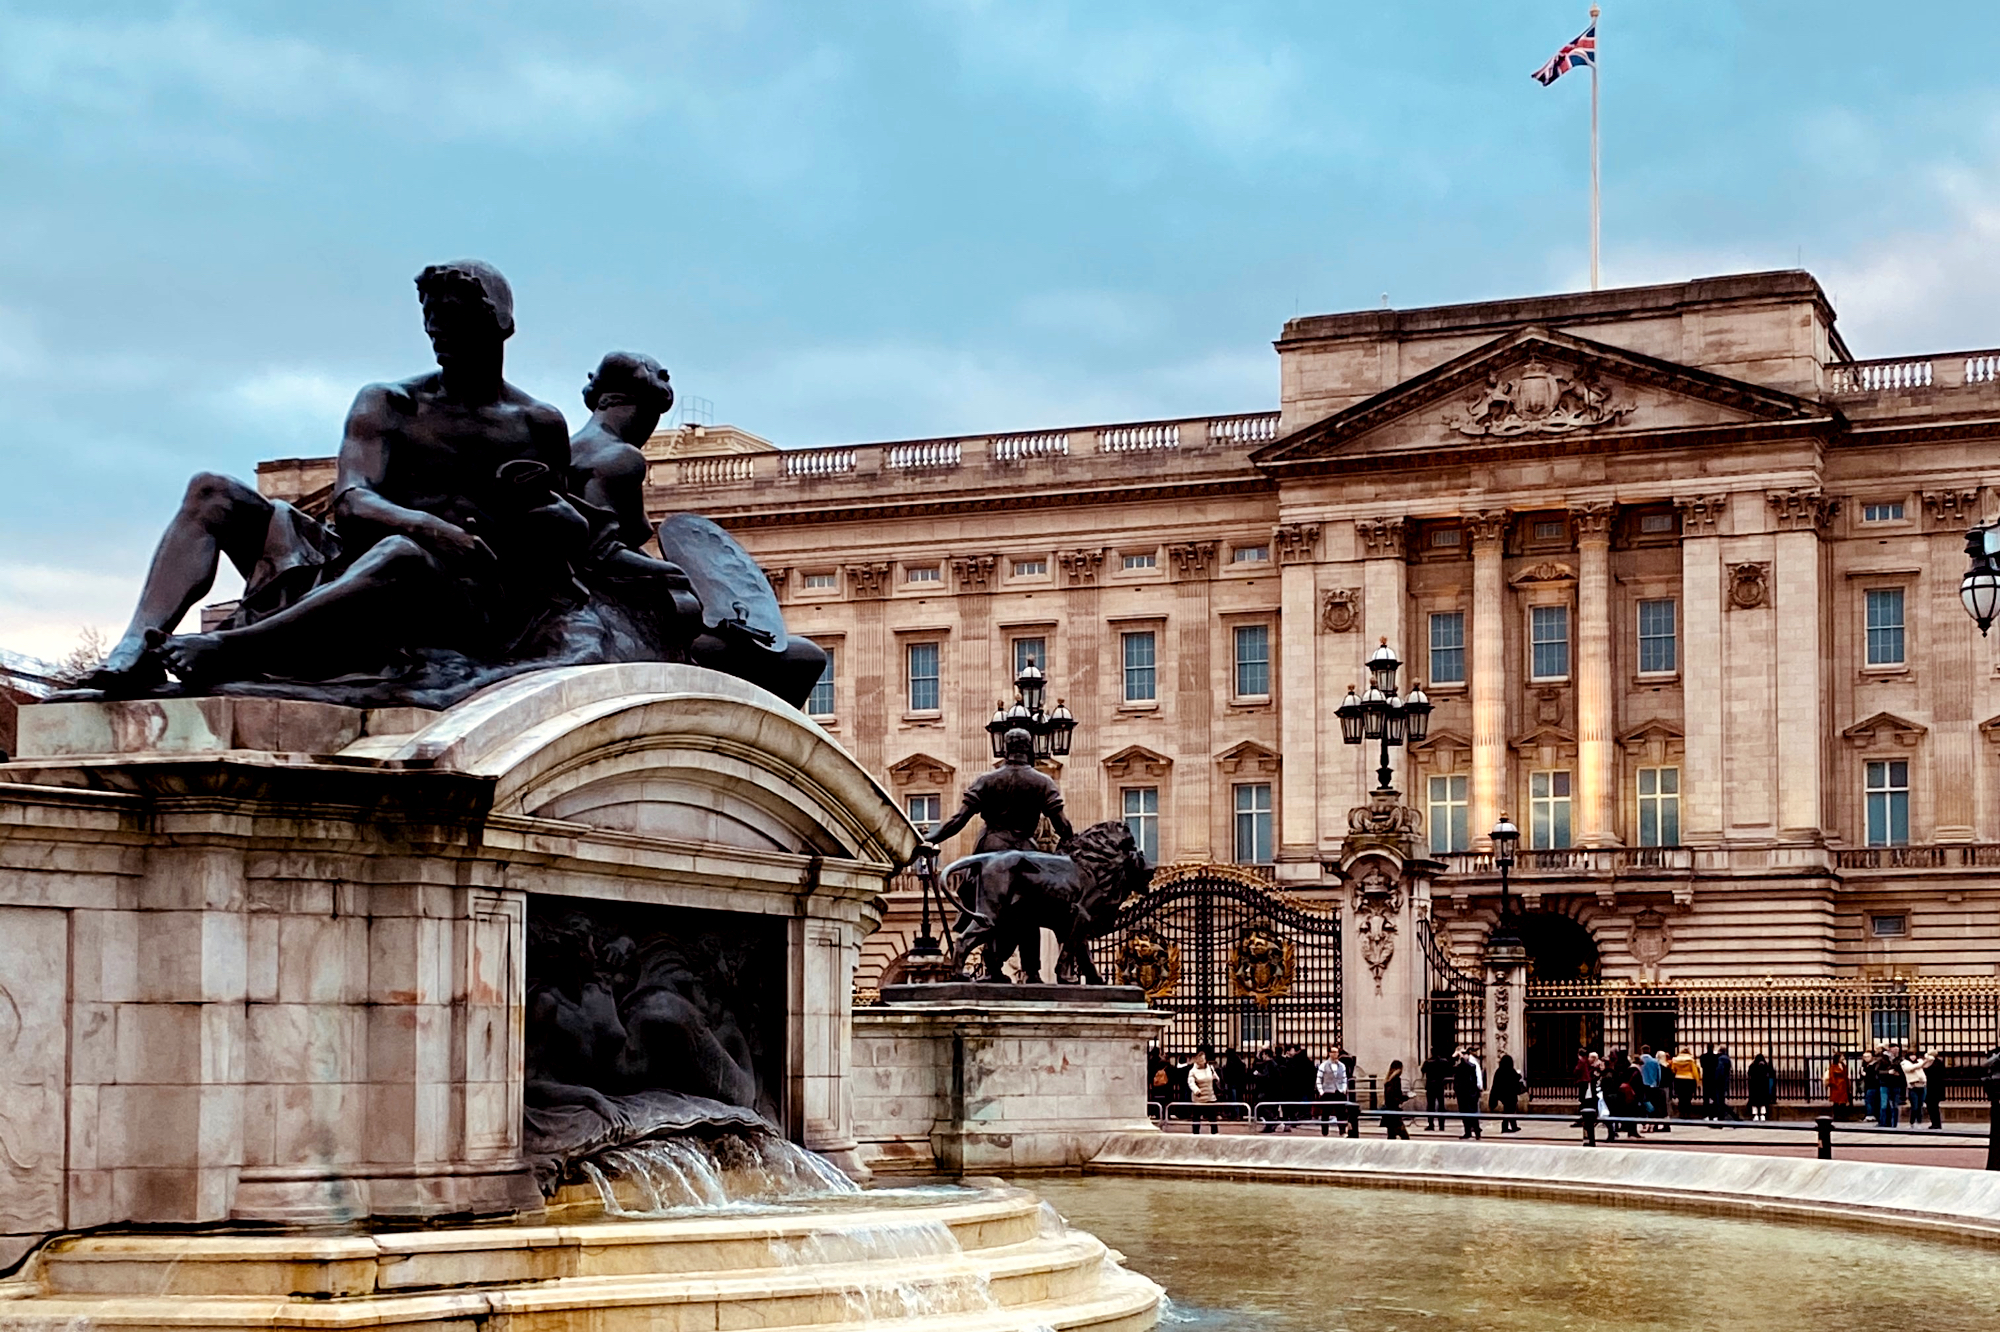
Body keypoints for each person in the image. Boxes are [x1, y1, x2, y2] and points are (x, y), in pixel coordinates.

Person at [80, 260, 588, 696]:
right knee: (212, 491)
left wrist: (539, 503)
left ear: (500, 325)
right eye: (433, 324)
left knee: (402, 555)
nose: (440, 337)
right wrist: (431, 527)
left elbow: (570, 539)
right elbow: (350, 502)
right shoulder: (391, 402)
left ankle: (228, 649)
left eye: (456, 324)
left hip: (465, 601)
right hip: (359, 561)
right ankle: (136, 647)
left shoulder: (536, 423)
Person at [1316, 1045, 1351, 1137]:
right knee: (1325, 1113)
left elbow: (1344, 1078)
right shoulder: (1323, 1065)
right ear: (1329, 1053)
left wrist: (1343, 1089)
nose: (1336, 1054)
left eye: (1337, 1052)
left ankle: (1342, 1131)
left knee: (1341, 1112)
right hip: (1327, 1091)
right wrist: (1321, 1091)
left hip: (1338, 1091)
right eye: (1333, 1052)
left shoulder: (1342, 1066)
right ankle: (1325, 1131)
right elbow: (1319, 1079)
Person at [1186, 1047, 1222, 1134]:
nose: (1202, 1061)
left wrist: (1216, 1079)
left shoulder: (1210, 1068)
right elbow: (1191, 1082)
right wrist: (1196, 1090)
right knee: (1196, 1117)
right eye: (1201, 1059)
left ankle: (1215, 1133)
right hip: (1199, 1098)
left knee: (1213, 1118)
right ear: (1197, 1060)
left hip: (1210, 1096)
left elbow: (1216, 1078)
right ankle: (1196, 1133)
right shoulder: (1193, 1071)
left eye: (1204, 1058)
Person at [1454, 1047, 1485, 1139]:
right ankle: (1468, 1132)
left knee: (1472, 1114)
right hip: (1463, 1094)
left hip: (1470, 1094)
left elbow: (1475, 1079)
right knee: (1464, 1114)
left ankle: (1476, 1132)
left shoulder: (1472, 1066)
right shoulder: (1459, 1067)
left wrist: (1479, 1087)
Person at [1489, 1054, 1524, 1133]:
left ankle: (1512, 1126)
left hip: (1503, 1095)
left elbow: (1495, 1084)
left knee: (1509, 1111)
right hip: (1511, 1095)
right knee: (1510, 1111)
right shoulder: (1511, 1070)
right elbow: (1515, 1079)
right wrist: (1519, 1075)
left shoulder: (1499, 1071)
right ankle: (1506, 1127)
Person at [1422, 1052, 1452, 1132]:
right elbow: (1449, 1070)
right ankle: (1441, 1125)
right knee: (1441, 1106)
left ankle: (1431, 1124)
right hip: (1439, 1085)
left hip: (1430, 1086)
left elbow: (1423, 1070)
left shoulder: (1428, 1062)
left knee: (1430, 1106)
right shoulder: (1443, 1061)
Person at [1381, 1059, 1412, 1140]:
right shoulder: (1396, 1079)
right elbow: (1396, 1095)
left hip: (1388, 1111)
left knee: (1391, 1136)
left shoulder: (1387, 1080)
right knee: (1405, 1136)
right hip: (1394, 1111)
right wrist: (1407, 1097)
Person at [1902, 1049, 1931, 1130]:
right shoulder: (1905, 1063)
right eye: (1911, 1055)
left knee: (1920, 1106)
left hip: (1922, 1086)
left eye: (1914, 1055)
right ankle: (1912, 1122)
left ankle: (1919, 1122)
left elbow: (1926, 1066)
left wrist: (1929, 1059)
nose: (1913, 1057)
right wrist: (1922, 1062)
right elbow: (1910, 1068)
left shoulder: (1919, 1062)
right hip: (1913, 1086)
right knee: (1914, 1106)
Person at [1670, 1045, 1701, 1121]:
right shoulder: (1690, 1060)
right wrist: (1698, 1081)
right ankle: (1687, 1113)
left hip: (1679, 1079)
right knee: (1688, 1097)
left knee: (1681, 1097)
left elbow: (1673, 1070)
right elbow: (1694, 1071)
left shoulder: (1676, 1060)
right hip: (1689, 1079)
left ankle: (1681, 1112)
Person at [1745, 1053, 1777, 1122]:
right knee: (1763, 1102)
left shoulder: (1753, 1066)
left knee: (1754, 1103)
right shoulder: (1766, 1066)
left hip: (1754, 1087)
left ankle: (1755, 1115)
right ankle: (1763, 1115)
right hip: (1763, 1088)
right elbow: (1771, 1074)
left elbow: (1749, 1073)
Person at [1826, 1053, 1853, 1122]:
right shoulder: (1833, 1066)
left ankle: (1843, 1116)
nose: (1843, 1057)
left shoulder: (1843, 1065)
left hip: (1843, 1086)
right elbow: (1832, 1076)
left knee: (1843, 1102)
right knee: (1837, 1102)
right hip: (1837, 1086)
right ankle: (1837, 1116)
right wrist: (1835, 1084)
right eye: (1842, 1056)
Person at [1712, 1045, 1736, 1121]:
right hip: (1724, 1082)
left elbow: (1719, 1071)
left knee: (1719, 1101)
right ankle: (1729, 1116)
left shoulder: (1721, 1059)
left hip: (1720, 1082)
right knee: (1720, 1101)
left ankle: (1722, 1117)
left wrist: (1716, 1079)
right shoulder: (1727, 1059)